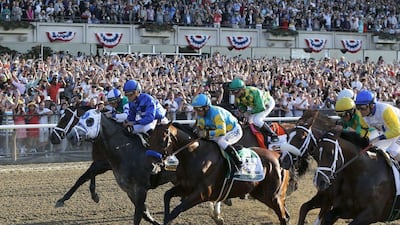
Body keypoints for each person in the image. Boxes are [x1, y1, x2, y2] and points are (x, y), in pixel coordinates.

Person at [191, 93, 243, 174]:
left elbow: (221, 131)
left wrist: (206, 133)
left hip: (233, 130)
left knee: (221, 141)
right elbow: (200, 128)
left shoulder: (216, 113)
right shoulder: (200, 115)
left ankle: (238, 163)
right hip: (220, 131)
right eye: (195, 109)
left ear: (206, 108)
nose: (197, 112)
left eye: (199, 109)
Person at [228, 78, 279, 143]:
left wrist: (248, 113)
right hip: (255, 105)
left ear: (242, 89)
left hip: (266, 103)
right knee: (249, 120)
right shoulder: (239, 96)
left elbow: (260, 107)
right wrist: (243, 112)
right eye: (232, 92)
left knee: (257, 120)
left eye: (235, 92)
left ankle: (273, 135)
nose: (234, 94)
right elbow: (242, 107)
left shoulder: (254, 92)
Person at [355, 90, 400, 161]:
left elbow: (397, 130)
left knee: (393, 150)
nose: (360, 111)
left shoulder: (385, 111)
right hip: (388, 131)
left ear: (371, 105)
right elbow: (364, 131)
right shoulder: (362, 116)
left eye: (363, 107)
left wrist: (379, 138)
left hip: (397, 129)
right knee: (374, 148)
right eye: (358, 107)